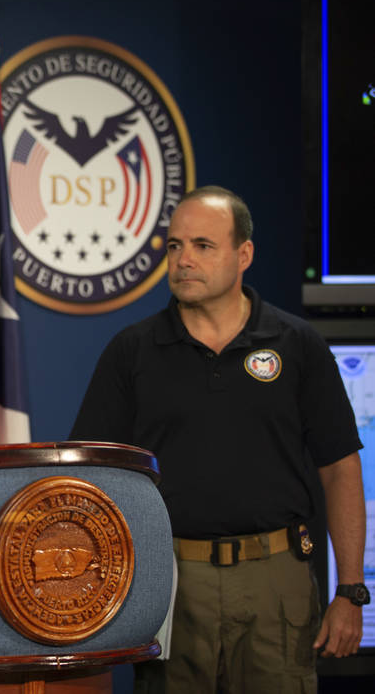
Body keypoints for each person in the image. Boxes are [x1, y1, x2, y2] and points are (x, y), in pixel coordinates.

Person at [69, 186, 366, 692]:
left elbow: (340, 469)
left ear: (243, 254)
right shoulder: (133, 351)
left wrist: (351, 592)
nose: (184, 260)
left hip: (277, 580)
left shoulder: (298, 346)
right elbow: (93, 476)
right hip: (172, 582)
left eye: (203, 246)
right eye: (174, 247)